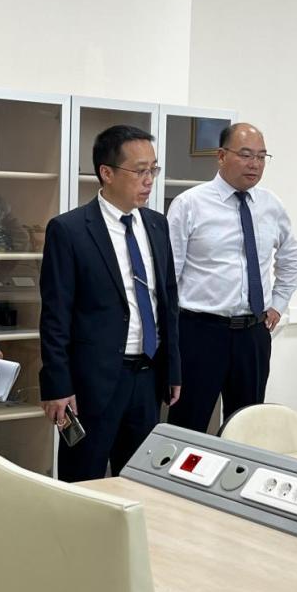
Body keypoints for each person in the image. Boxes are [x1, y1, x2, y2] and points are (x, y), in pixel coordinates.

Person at [39, 125, 181, 482]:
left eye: (153, 170)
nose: (149, 180)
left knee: (138, 481)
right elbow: (55, 316)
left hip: (147, 376)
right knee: (82, 481)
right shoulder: (69, 230)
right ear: (107, 172)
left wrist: (173, 369)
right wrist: (57, 384)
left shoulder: (157, 225)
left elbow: (167, 302)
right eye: (140, 170)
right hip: (93, 382)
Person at [166, 122, 297, 433]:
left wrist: (278, 304)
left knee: (247, 424)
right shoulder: (190, 204)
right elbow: (169, 273)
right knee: (189, 422)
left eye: (262, 157)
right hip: (199, 332)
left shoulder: (271, 205)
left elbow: (290, 259)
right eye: (246, 155)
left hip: (253, 334)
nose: (255, 164)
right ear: (221, 156)